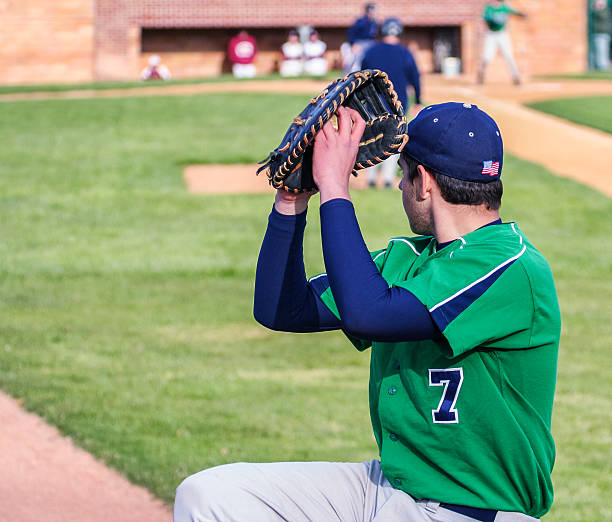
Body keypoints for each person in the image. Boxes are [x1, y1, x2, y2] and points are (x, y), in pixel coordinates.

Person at [174, 102, 561, 521]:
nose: (398, 185)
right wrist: (293, 201)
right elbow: (282, 310)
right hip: (388, 490)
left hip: (472, 509)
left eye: (402, 171)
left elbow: (369, 315)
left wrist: (335, 186)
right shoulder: (408, 258)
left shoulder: (512, 267)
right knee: (209, 496)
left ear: (424, 181)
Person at [362, 17, 422, 188]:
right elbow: (415, 78)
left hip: (373, 104)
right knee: (393, 141)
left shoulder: (371, 51)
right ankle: (388, 179)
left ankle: (371, 178)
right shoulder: (405, 53)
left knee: (374, 140)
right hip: (397, 105)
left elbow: (361, 77)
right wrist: (417, 100)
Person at [477, 0, 527, 85]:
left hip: (502, 34)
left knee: (509, 56)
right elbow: (486, 19)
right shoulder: (489, 8)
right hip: (491, 34)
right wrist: (492, 20)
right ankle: (481, 74)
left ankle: (516, 77)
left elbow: (513, 12)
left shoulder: (504, 7)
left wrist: (521, 14)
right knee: (487, 56)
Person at [347, 2, 379, 72]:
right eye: (372, 9)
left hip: (370, 43)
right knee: (356, 62)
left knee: (370, 61)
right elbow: (351, 32)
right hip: (360, 43)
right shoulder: (361, 21)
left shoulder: (374, 22)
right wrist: (353, 44)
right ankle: (346, 78)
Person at [590, 0, 611, 70]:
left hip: (602, 34)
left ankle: (602, 67)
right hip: (595, 34)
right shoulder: (593, 10)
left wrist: (597, 8)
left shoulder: (606, 11)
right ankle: (595, 66)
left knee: (602, 51)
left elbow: (601, 16)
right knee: (595, 52)